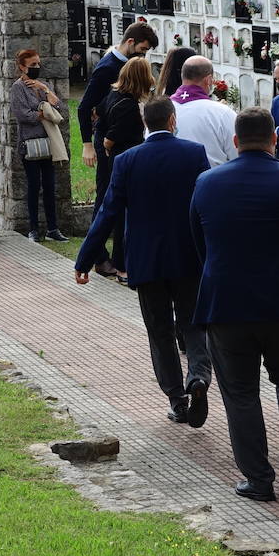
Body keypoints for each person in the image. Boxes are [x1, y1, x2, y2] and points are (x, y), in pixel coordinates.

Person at [191, 107, 279, 502]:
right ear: (274, 139)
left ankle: (258, 478)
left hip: (227, 303)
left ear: (235, 142)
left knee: (240, 393)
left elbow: (199, 244)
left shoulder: (206, 183)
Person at [74, 97, 213, 426]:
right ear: (172, 119)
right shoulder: (194, 153)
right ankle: (199, 377)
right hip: (188, 255)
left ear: (144, 123)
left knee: (160, 330)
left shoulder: (127, 160)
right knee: (194, 324)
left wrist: (86, 257)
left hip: (146, 259)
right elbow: (208, 202)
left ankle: (178, 400)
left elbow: (108, 212)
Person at [79, 22, 158, 275]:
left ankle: (117, 256)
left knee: (117, 200)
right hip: (108, 141)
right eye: (142, 50)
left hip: (118, 137)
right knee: (105, 199)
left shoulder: (123, 64)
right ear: (131, 42)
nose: (143, 56)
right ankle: (99, 256)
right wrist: (87, 145)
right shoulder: (107, 68)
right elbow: (84, 107)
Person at [8, 48, 69, 244]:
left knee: (50, 186)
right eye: (32, 65)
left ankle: (53, 228)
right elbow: (23, 115)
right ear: (22, 67)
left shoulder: (44, 86)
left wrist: (45, 90)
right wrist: (43, 113)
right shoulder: (18, 88)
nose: (36, 67)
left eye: (38, 64)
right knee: (34, 186)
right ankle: (33, 228)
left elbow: (59, 108)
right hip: (30, 143)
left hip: (48, 142)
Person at [170, 56, 237, 167]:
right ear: (209, 80)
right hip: (213, 180)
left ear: (183, 76)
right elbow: (236, 156)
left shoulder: (162, 109)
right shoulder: (223, 113)